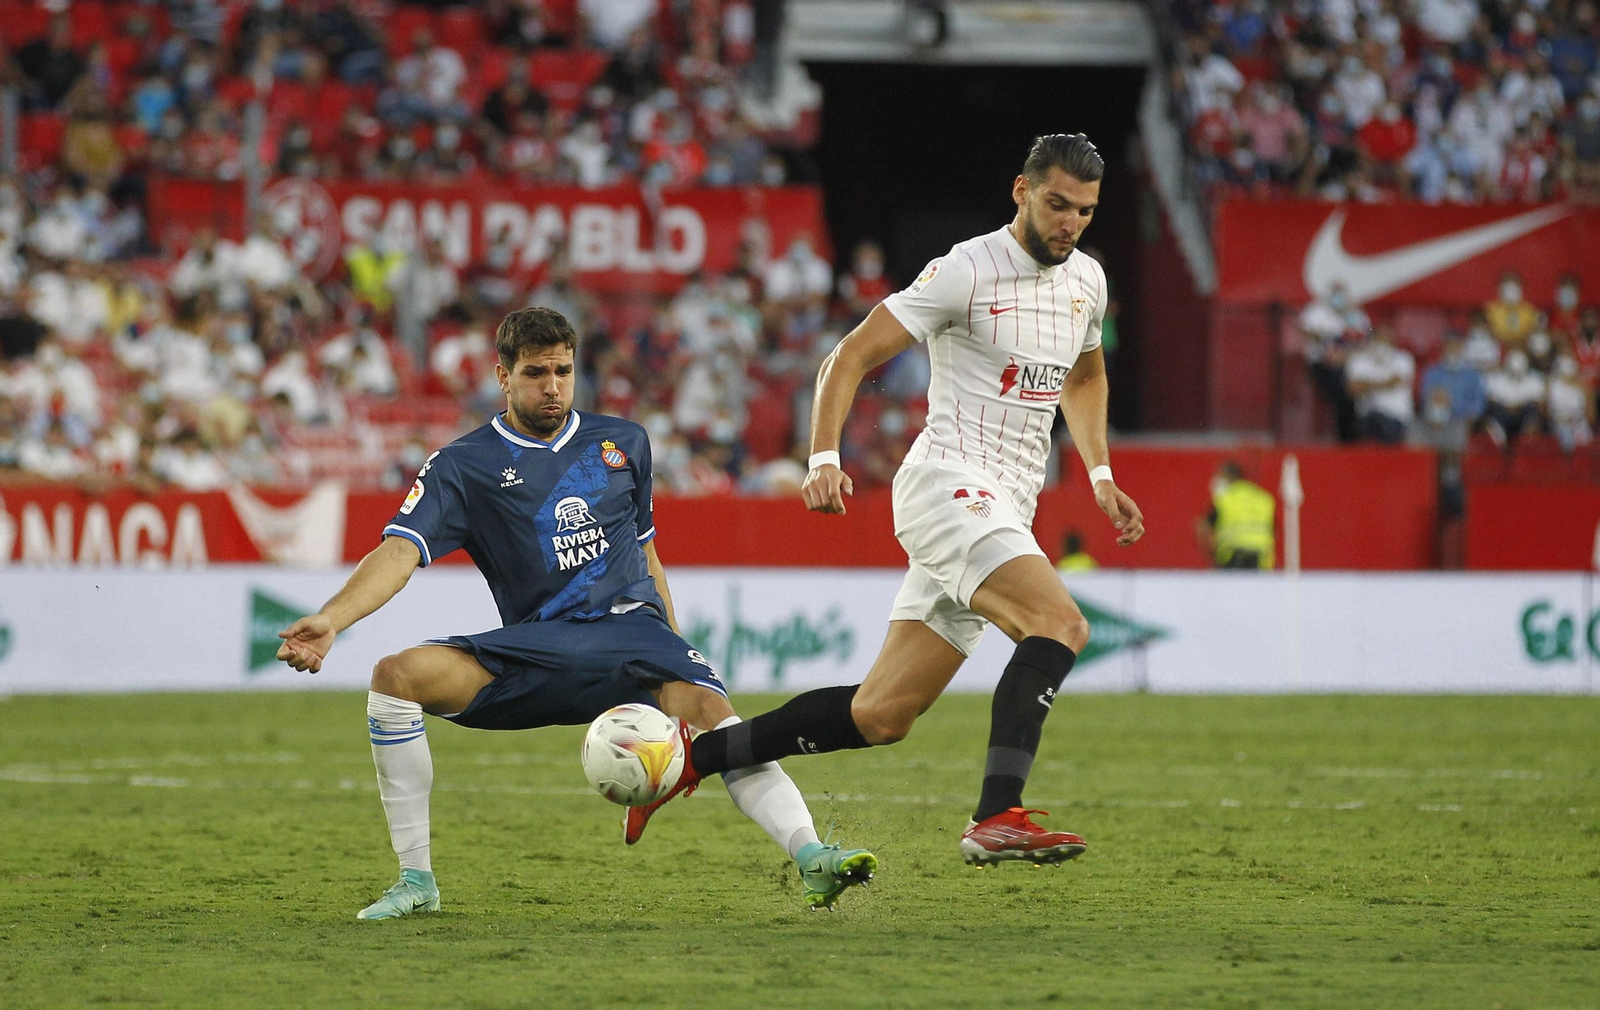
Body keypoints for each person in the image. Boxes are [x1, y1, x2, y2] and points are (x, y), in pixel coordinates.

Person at [637, 134, 1145, 867]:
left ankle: (695, 758)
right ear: (1022, 192)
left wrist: (1098, 475)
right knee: (1059, 622)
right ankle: (996, 813)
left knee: (883, 715)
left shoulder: (1087, 283)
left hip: (1006, 505)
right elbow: (851, 355)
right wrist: (822, 456)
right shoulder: (966, 270)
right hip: (948, 485)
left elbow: (1087, 377)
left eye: (1085, 211)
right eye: (1057, 204)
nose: (1069, 222)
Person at [275, 307, 873, 919]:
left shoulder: (624, 442)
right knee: (394, 679)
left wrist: (672, 643)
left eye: (563, 370)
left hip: (634, 639)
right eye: (536, 373)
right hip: (542, 648)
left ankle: (812, 856)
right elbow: (400, 551)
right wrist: (333, 619)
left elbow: (646, 553)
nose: (553, 386)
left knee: (717, 716)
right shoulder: (464, 466)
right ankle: (416, 881)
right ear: (502, 375)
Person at [1195, 460, 1275, 570]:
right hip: (1261, 559)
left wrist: (1212, 555)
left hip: (1232, 558)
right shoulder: (1263, 498)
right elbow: (1272, 530)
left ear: (1228, 477)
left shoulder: (1225, 499)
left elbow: (1202, 527)